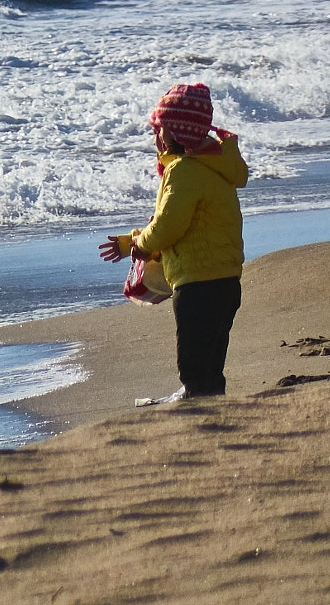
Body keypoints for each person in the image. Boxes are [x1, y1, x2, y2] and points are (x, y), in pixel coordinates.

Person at [98, 83, 248, 397]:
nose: (156, 137)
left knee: (193, 358)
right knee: (211, 357)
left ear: (176, 134)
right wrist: (130, 242)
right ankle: (210, 398)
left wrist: (139, 246)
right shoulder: (214, 167)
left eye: (160, 129)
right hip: (226, 278)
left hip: (198, 282)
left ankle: (194, 399)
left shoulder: (183, 171)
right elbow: (176, 224)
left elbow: (168, 227)